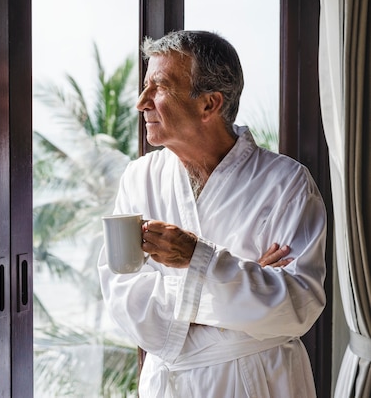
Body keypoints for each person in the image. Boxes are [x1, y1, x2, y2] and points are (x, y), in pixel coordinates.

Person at [98, 30, 327, 398]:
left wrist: (196, 258)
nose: (142, 102)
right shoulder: (139, 178)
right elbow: (122, 295)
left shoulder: (286, 184)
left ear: (209, 104)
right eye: (144, 87)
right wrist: (244, 279)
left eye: (158, 87)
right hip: (168, 384)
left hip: (259, 382)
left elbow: (297, 308)